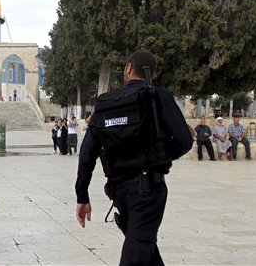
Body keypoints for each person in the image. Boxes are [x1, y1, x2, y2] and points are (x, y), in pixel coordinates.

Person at [75, 49, 193, 266]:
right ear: (152, 74)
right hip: (148, 190)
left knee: (143, 247)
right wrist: (157, 156)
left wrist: (82, 196)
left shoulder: (106, 103)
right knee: (137, 253)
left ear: (129, 68)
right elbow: (184, 142)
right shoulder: (158, 96)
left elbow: (87, 154)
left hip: (119, 191)